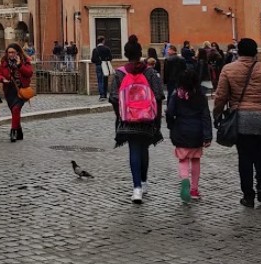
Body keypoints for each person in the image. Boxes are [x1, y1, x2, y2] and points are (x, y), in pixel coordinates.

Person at [213, 37, 261, 208]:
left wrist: (217, 114)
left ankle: (248, 195)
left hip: (241, 120)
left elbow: (221, 96)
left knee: (245, 157)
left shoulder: (228, 69)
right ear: (256, 52)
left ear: (238, 52)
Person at [109, 35, 165, 204]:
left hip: (128, 119)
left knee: (134, 149)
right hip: (148, 118)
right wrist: (157, 119)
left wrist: (119, 116)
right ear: (141, 53)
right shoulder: (149, 71)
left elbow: (113, 97)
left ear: (126, 54)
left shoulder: (120, 73)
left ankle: (137, 189)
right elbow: (159, 95)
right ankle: (144, 182)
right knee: (144, 148)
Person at [166, 65, 212, 203]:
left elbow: (170, 112)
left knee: (183, 159)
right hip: (197, 131)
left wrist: (171, 125)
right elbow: (205, 116)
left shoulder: (176, 95)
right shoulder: (200, 96)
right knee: (196, 159)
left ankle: (185, 180)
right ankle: (194, 189)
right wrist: (207, 135)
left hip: (181, 130)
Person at [0, 43, 34, 142]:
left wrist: (20, 65)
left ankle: (13, 132)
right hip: (9, 90)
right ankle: (19, 131)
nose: (11, 54)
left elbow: (29, 73)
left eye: (13, 52)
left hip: (21, 90)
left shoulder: (24, 61)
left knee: (16, 109)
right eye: (9, 52)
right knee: (14, 112)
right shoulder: (4, 62)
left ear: (17, 52)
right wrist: (2, 79)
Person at [90, 36, 113, 102]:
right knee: (105, 80)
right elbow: (110, 58)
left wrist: (98, 61)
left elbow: (93, 60)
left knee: (99, 80)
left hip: (98, 66)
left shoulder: (95, 50)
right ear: (103, 41)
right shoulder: (107, 49)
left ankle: (101, 95)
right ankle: (105, 94)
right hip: (105, 65)